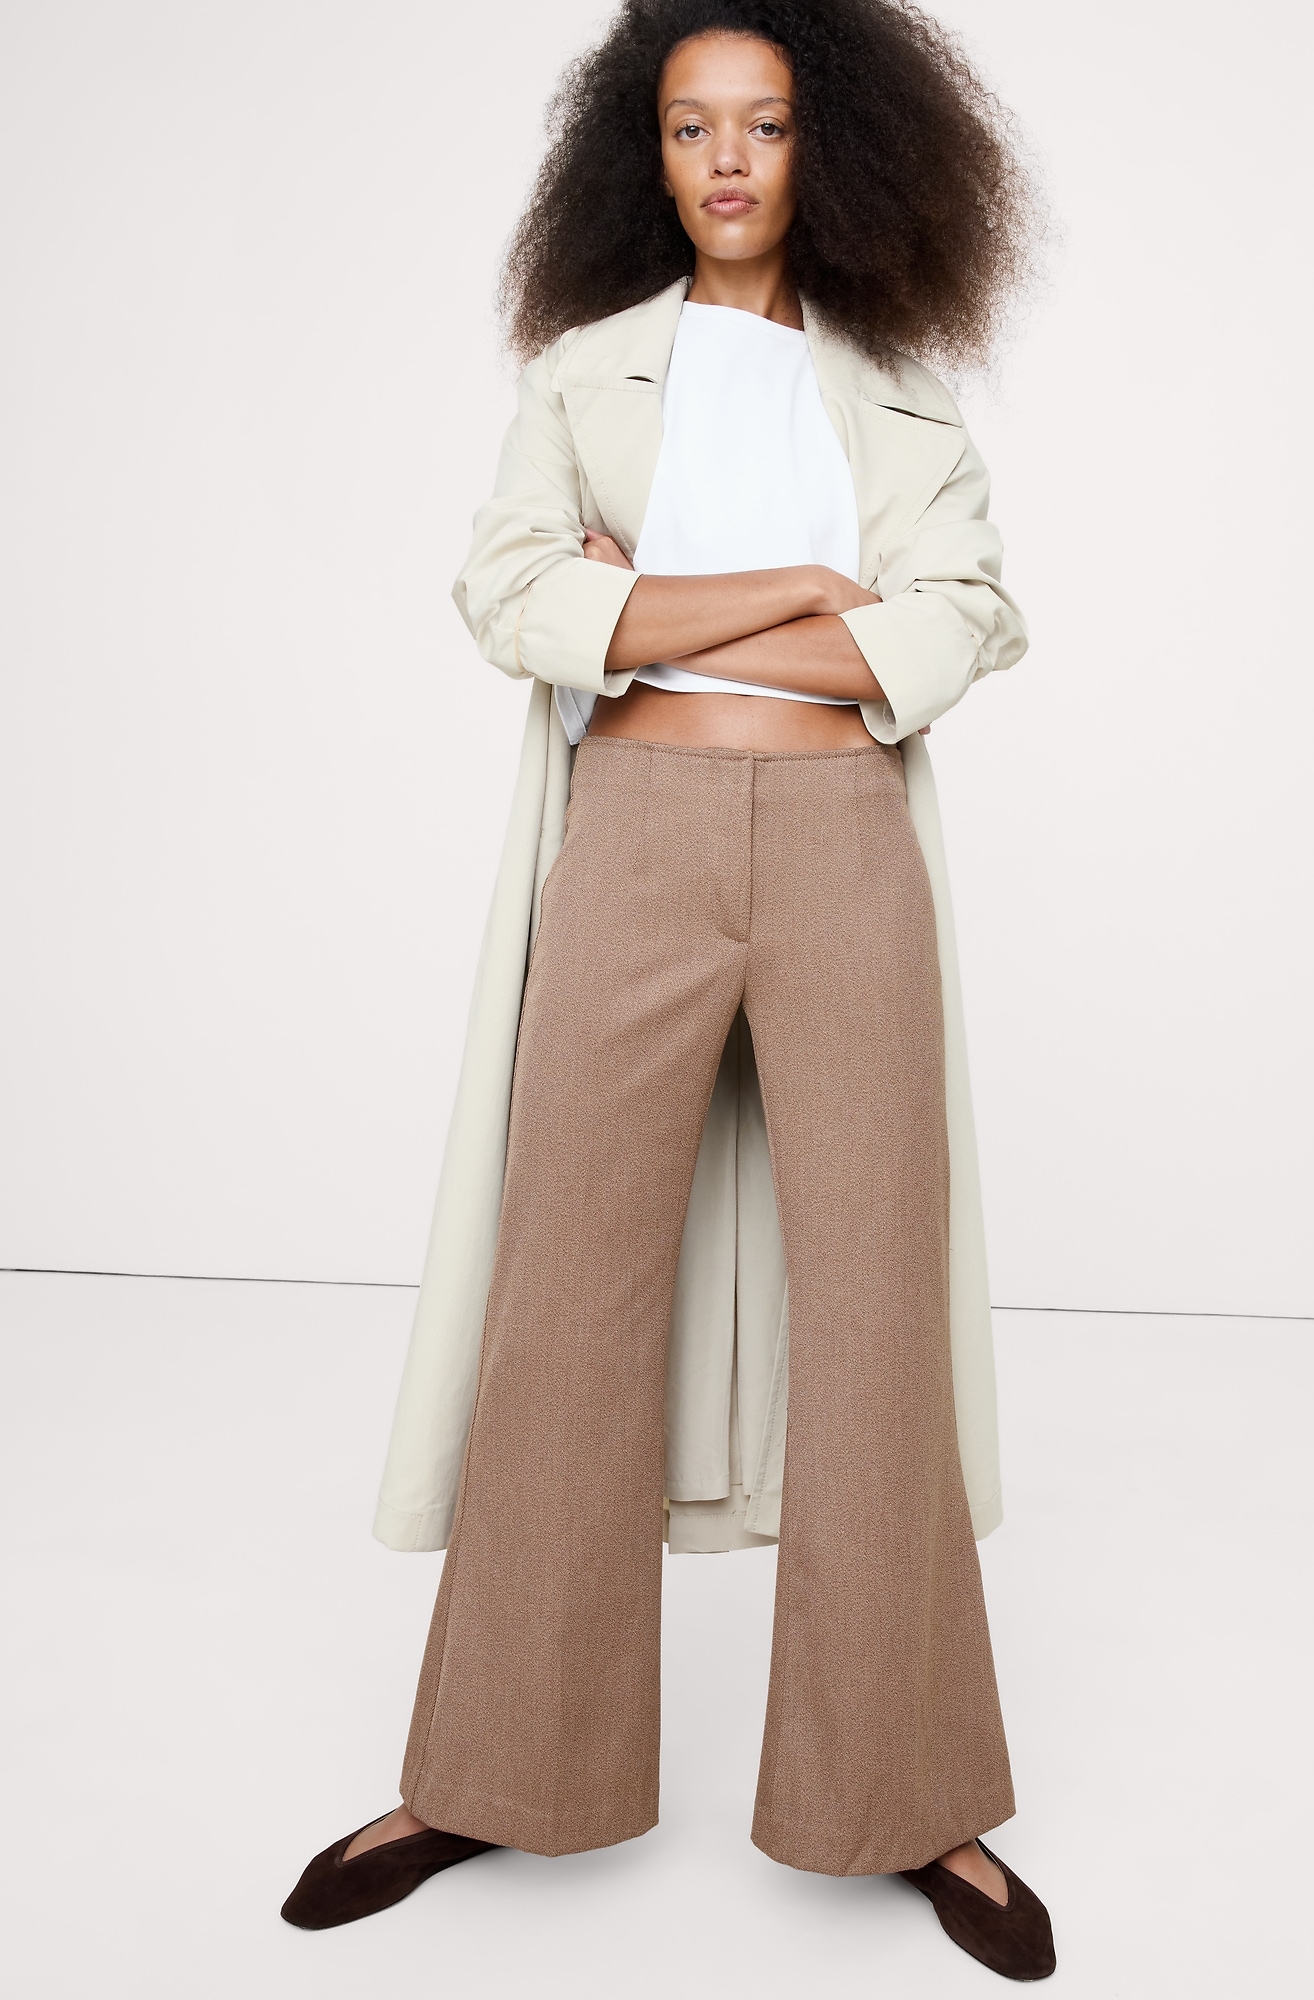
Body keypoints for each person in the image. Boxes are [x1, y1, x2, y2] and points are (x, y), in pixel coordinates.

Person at [281, 0, 1053, 1979]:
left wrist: (652, 610)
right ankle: (491, 1770)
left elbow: (961, 623)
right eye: (692, 126)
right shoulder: (583, 374)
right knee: (566, 1292)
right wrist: (802, 587)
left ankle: (907, 1796)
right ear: (640, 154)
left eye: (766, 125)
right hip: (628, 839)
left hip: (843, 848)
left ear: (832, 148)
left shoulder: (900, 394)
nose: (727, 160)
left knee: (874, 1302)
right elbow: (512, 598)